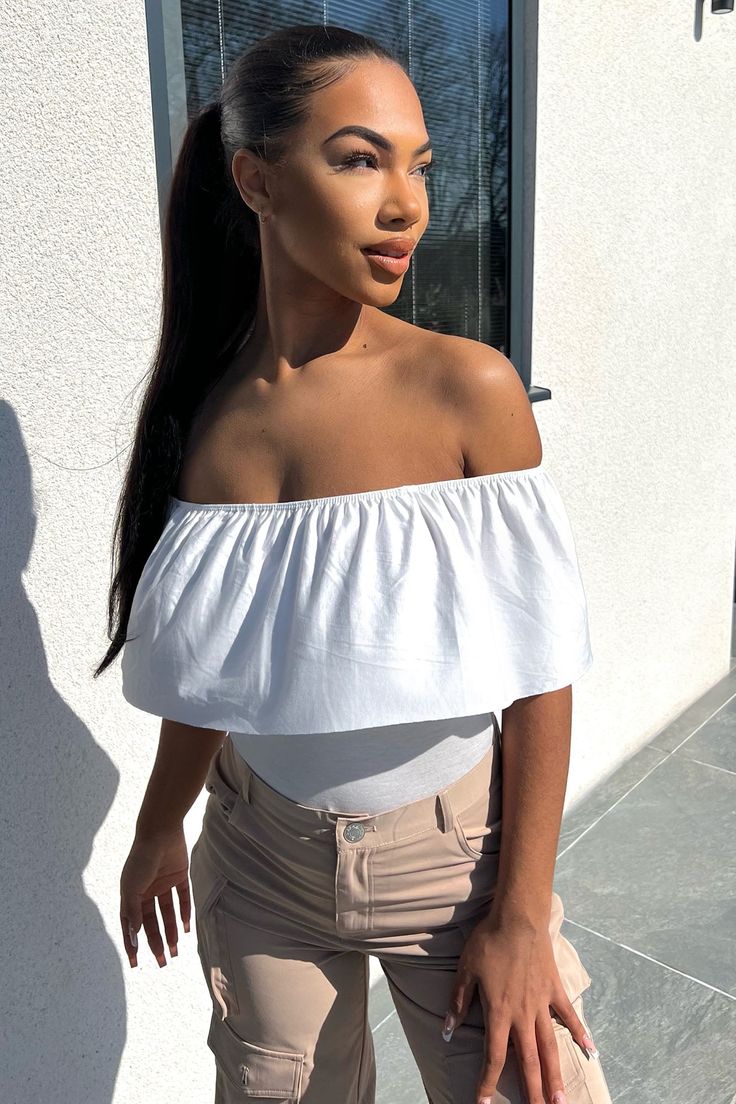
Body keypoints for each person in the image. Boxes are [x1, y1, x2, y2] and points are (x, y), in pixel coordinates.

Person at [96, 22, 613, 1104]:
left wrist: (521, 916)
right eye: (358, 157)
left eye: (420, 164)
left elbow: (539, 671)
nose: (406, 202)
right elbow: (213, 663)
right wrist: (157, 826)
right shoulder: (208, 418)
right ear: (256, 180)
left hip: (458, 869)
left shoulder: (466, 391)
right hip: (261, 862)